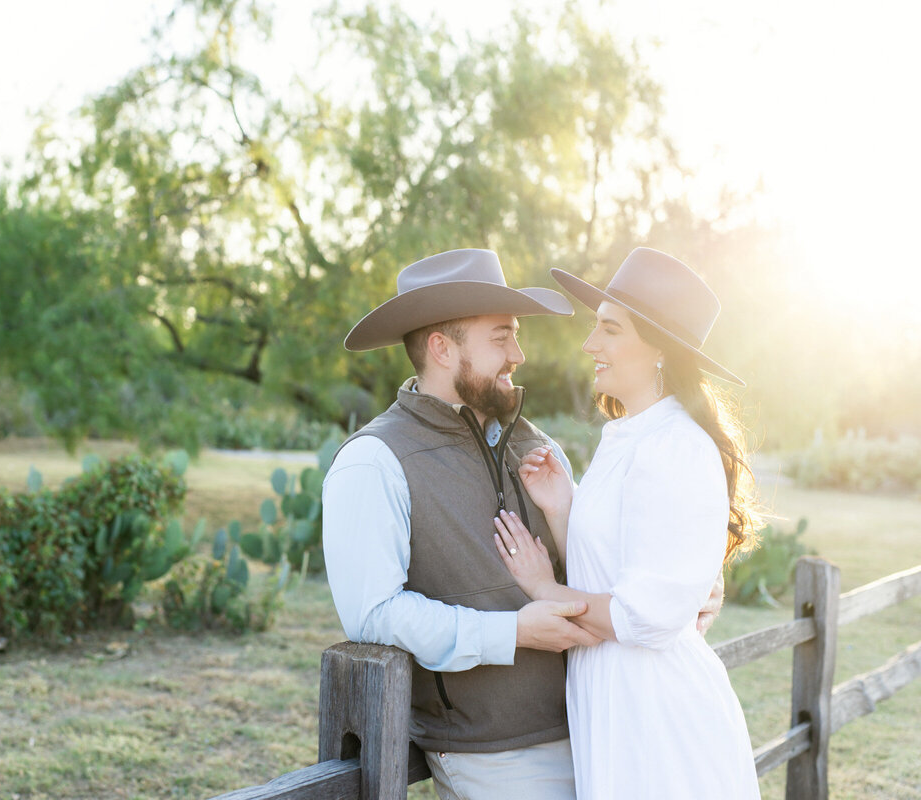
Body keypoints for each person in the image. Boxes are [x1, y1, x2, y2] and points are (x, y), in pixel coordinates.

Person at [322, 248, 721, 800]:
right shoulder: (374, 461)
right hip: (494, 752)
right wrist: (511, 633)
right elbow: (374, 613)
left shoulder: (536, 444)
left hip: (598, 727)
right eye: (501, 336)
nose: (520, 354)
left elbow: (614, 557)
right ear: (441, 347)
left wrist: (691, 580)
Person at [492, 247, 761, 799]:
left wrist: (545, 589)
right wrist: (563, 508)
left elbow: (645, 615)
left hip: (657, 713)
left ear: (659, 348)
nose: (591, 344)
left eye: (610, 330)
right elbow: (613, 576)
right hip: (613, 696)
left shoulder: (677, 447)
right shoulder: (628, 437)